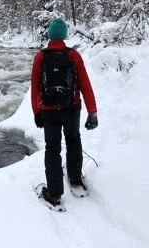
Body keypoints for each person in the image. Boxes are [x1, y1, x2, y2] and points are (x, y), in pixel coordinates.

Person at [31, 18, 98, 207]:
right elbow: (85, 83)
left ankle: (54, 194)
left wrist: (37, 111)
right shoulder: (73, 55)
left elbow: (35, 87)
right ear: (65, 35)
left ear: (50, 34)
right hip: (71, 108)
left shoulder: (40, 57)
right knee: (74, 141)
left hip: (48, 110)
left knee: (52, 149)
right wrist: (92, 112)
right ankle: (75, 179)